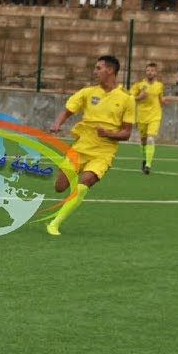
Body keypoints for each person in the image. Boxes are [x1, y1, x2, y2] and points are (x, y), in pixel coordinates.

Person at [45, 55, 135, 236]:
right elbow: (68, 110)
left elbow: (126, 133)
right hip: (81, 147)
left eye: (98, 68)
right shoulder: (87, 92)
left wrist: (108, 134)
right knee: (59, 186)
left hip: (104, 152)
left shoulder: (126, 99)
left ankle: (55, 223)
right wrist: (57, 123)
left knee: (85, 181)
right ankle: (56, 217)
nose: (95, 72)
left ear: (110, 70)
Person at [129, 62, 166, 174]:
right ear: (145, 72)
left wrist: (163, 101)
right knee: (144, 141)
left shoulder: (159, 85)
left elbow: (160, 99)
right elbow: (129, 99)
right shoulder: (139, 85)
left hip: (155, 115)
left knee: (150, 139)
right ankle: (145, 160)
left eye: (152, 70)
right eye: (148, 70)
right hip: (142, 116)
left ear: (156, 72)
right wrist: (139, 97)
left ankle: (148, 165)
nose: (150, 72)